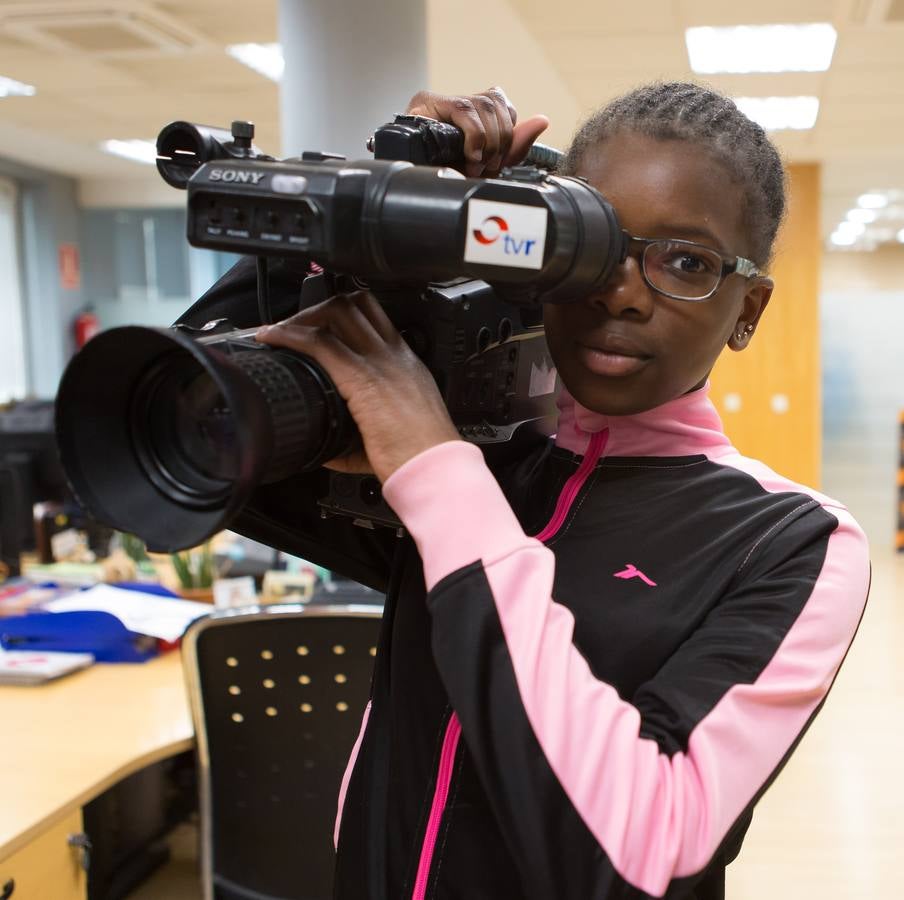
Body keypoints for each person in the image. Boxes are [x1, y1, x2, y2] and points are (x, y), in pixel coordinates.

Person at [249, 83, 870, 899]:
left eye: (686, 262)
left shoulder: (792, 542)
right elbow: (220, 444)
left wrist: (436, 472)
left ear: (746, 310)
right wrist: (380, 211)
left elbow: (641, 854)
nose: (621, 292)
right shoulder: (486, 455)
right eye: (598, 246)